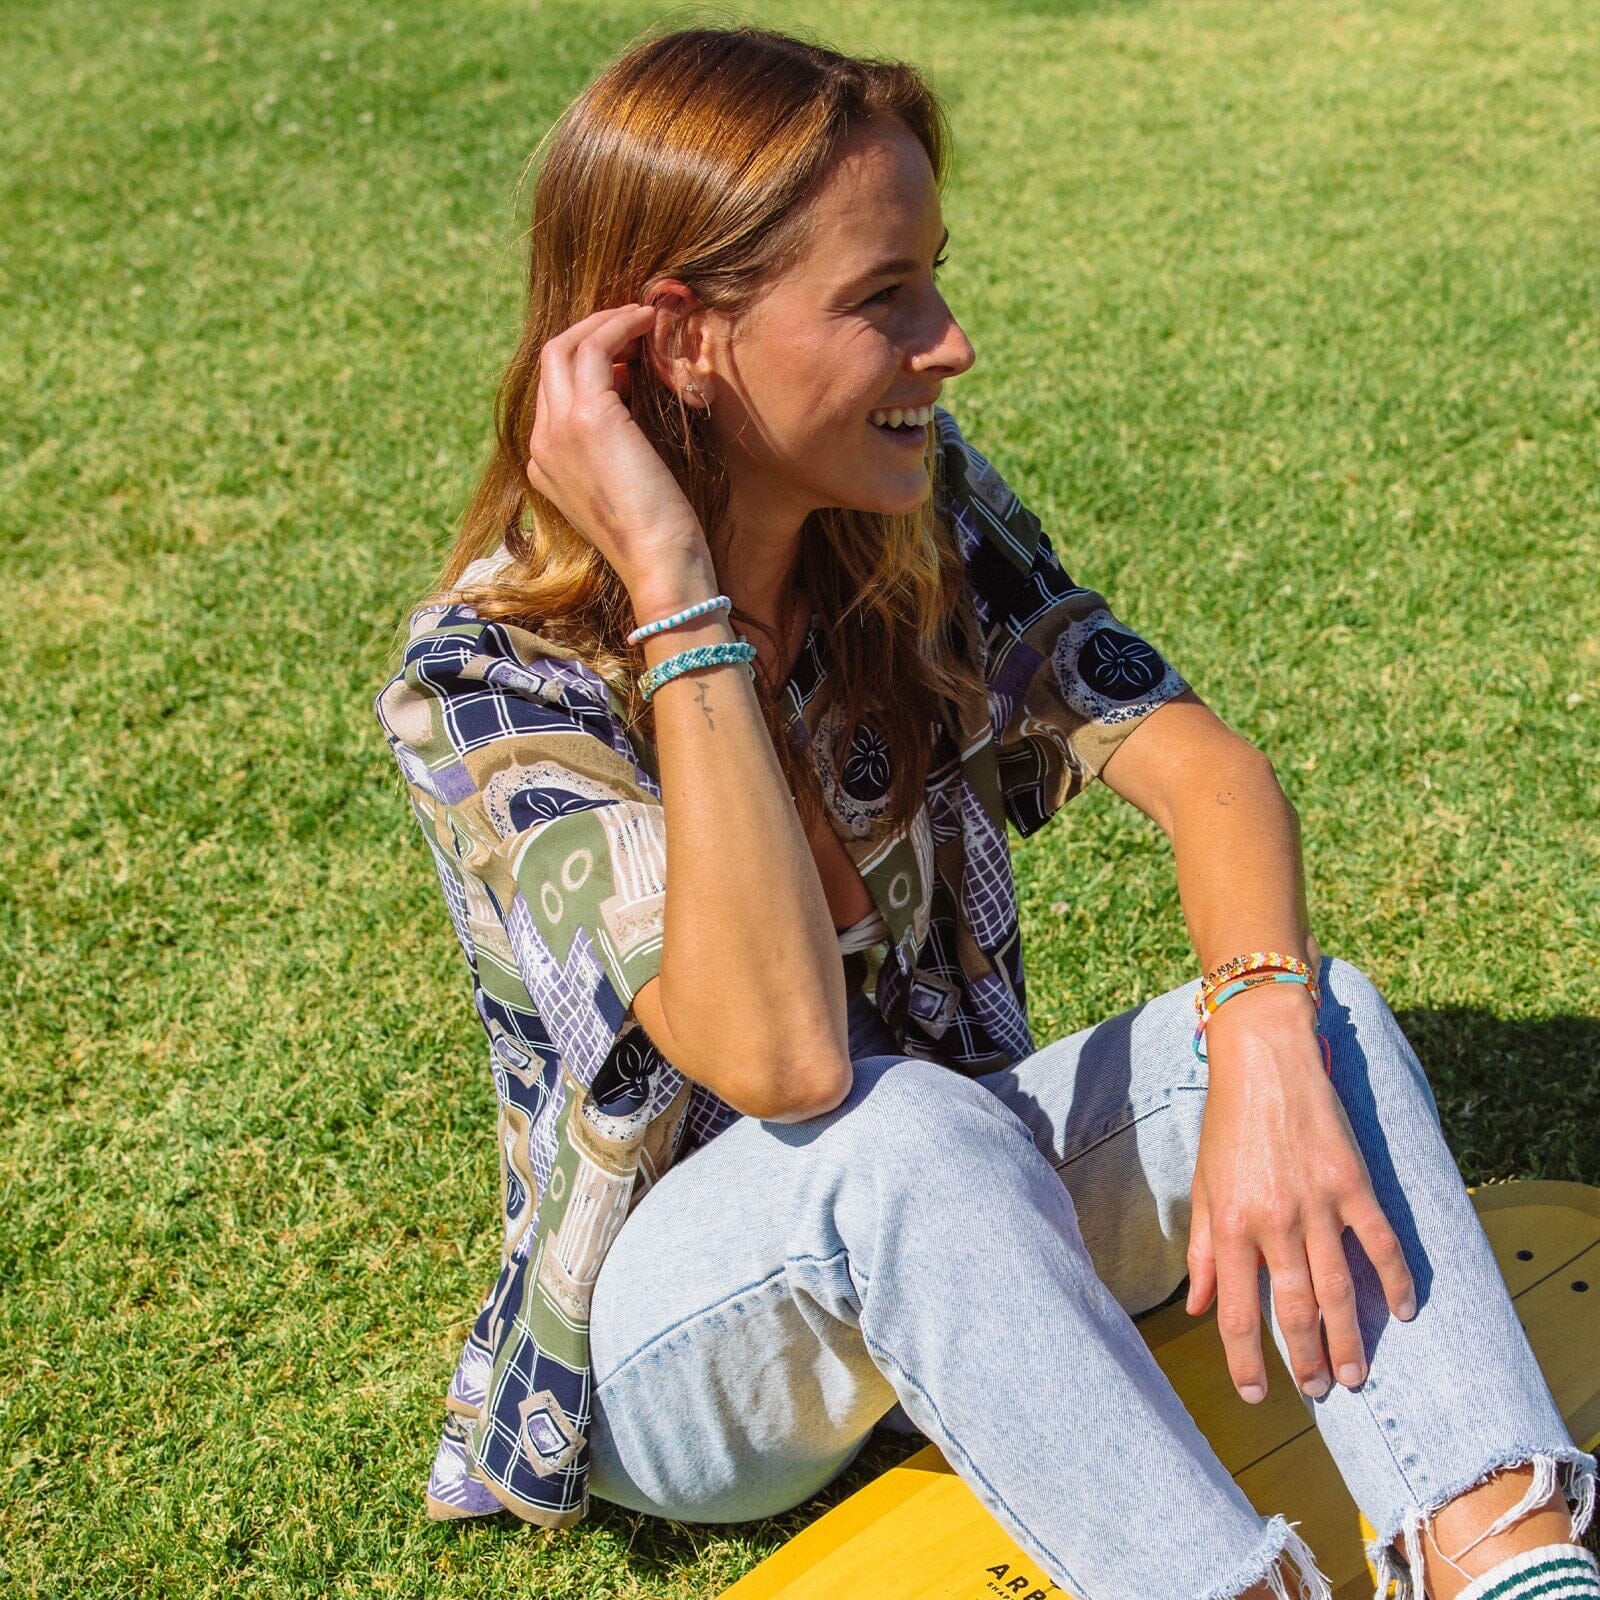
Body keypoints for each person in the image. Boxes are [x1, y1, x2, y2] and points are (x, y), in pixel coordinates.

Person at [373, 23, 1596, 1600]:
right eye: (885, 298)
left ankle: (1510, 1558)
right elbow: (786, 1064)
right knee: (901, 1129)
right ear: (683, 339)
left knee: (1318, 1011)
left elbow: (1201, 767)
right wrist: (682, 597)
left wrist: (1268, 1038)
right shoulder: (483, 680)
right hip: (689, 1343)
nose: (949, 344)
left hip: (973, 1230)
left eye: (934, 278)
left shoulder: (910, 505)